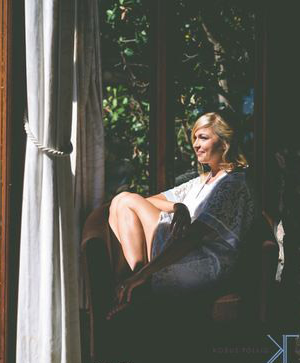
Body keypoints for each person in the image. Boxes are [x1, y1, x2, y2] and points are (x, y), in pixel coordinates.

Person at [107, 112, 255, 318]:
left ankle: (135, 283)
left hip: (205, 263)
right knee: (120, 202)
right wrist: (178, 207)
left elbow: (192, 238)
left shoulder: (233, 183)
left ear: (224, 142)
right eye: (194, 137)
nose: (195, 144)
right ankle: (133, 286)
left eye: (203, 137)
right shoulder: (203, 181)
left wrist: (144, 274)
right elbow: (149, 201)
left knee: (125, 199)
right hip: (184, 251)